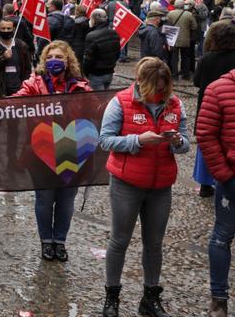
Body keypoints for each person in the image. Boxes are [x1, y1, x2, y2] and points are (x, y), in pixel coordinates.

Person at [99, 57, 189, 317]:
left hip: (161, 185)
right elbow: (105, 140)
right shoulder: (121, 102)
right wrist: (137, 140)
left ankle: (150, 297)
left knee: (154, 244)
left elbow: (186, 143)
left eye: (163, 88)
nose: (158, 94)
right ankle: (112, 297)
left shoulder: (175, 103)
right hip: (126, 183)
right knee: (120, 240)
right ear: (141, 83)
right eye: (154, 88)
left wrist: (178, 141)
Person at [14, 41, 91, 262]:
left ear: (68, 61)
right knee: (44, 199)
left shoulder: (81, 86)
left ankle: (60, 241)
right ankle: (46, 241)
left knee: (66, 201)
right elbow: (17, 99)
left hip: (73, 149)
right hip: (42, 149)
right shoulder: (34, 84)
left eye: (58, 56)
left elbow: (96, 108)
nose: (53, 61)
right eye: (49, 57)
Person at [196, 65, 235, 317]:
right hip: (232, 180)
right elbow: (206, 134)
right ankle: (218, 299)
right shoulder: (219, 89)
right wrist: (223, 174)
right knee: (222, 237)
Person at [192, 21, 235, 198]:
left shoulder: (207, 58)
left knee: (207, 143)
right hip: (230, 105)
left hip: (208, 105)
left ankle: (205, 184)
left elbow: (196, 81)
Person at [0, 18, 31, 99]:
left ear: (14, 30)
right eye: (3, 28)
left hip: (18, 90)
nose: (6, 31)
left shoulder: (21, 45)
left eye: (8, 28)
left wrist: (24, 84)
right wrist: (2, 58)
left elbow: (27, 68)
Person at [82, 9, 121, 91]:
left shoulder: (91, 35)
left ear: (94, 20)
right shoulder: (114, 32)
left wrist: (85, 73)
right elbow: (117, 53)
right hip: (109, 72)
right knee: (104, 98)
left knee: (97, 100)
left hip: (96, 74)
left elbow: (88, 59)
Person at [166, 0, 197, 80]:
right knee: (186, 57)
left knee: (174, 58)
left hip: (173, 39)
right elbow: (194, 26)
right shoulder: (189, 14)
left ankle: (174, 75)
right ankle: (186, 75)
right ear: (183, 5)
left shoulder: (170, 14)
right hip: (185, 39)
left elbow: (167, 26)